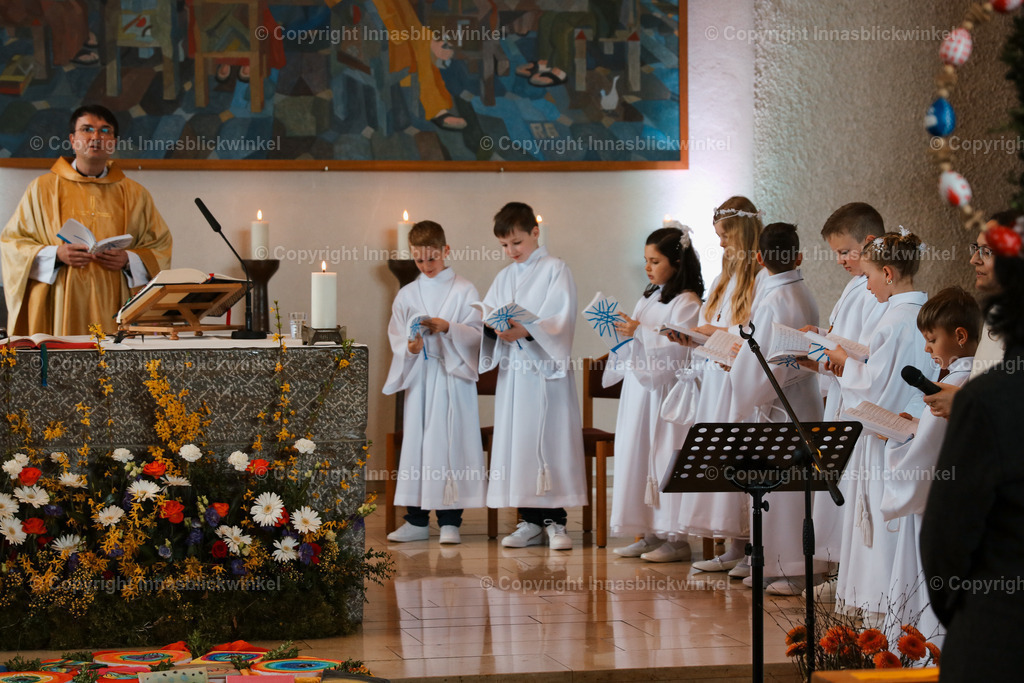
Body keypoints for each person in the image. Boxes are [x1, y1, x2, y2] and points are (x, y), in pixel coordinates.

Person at [921, 223, 1024, 681]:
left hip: (1000, 637)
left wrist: (970, 617)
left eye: (986, 251)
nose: (974, 259)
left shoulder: (989, 401)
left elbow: (947, 538)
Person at [823, 230, 936, 624]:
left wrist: (843, 361)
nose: (866, 285)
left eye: (868, 276)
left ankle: (882, 611)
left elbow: (879, 390)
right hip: (893, 434)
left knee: (879, 525)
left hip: (889, 437)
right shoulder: (909, 313)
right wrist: (856, 357)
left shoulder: (900, 319)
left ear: (888, 273)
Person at [1, 104, 172, 336]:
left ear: (113, 142)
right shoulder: (42, 189)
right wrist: (56, 255)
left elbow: (160, 246)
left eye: (105, 131)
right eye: (87, 129)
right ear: (73, 139)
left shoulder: (135, 194)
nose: (96, 137)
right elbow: (12, 244)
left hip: (116, 299)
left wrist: (128, 259)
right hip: (61, 298)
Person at [480, 202, 587, 550]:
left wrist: (526, 331)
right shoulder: (504, 277)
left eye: (517, 243)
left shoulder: (556, 269)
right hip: (515, 375)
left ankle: (556, 522)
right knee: (520, 442)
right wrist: (495, 328)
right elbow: (490, 314)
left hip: (546, 374)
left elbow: (561, 320)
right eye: (504, 245)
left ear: (535, 233)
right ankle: (528, 521)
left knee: (549, 441)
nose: (511, 251)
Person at [881, 286, 981, 645]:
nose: (926, 348)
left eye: (931, 339)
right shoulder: (976, 380)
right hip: (956, 502)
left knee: (924, 589)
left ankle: (926, 654)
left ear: (959, 336)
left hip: (936, 510)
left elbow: (923, 457)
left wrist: (895, 441)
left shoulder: (955, 384)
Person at [726, 222, 821, 595]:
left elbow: (757, 367)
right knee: (786, 489)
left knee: (786, 488)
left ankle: (793, 568)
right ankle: (777, 564)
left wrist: (735, 369)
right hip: (795, 396)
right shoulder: (798, 290)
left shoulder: (776, 298)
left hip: (782, 403)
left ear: (760, 257)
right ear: (798, 255)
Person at [383, 220, 486, 545]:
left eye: (432, 258)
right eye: (419, 260)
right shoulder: (408, 293)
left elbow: (478, 333)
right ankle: (415, 519)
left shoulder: (464, 289)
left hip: (453, 378)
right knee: (418, 446)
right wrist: (411, 346)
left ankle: (450, 521)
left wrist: (449, 328)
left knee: (450, 444)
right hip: (422, 379)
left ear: (446, 250)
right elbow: (399, 336)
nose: (426, 266)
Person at [604, 224, 703, 562]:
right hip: (639, 389)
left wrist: (639, 332)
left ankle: (675, 539)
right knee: (636, 453)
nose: (648, 268)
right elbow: (638, 338)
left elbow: (679, 347)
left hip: (665, 391)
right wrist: (623, 332)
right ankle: (646, 532)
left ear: (676, 262)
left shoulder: (687, 301)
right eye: (645, 261)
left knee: (662, 457)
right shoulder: (649, 295)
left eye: (655, 261)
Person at [679, 196, 765, 576]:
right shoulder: (720, 280)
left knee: (744, 456)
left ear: (745, 234)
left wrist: (717, 334)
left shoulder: (762, 278)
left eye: (726, 236)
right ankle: (733, 544)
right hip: (716, 378)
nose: (721, 244)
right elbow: (704, 324)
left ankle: (753, 546)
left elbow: (757, 334)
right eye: (717, 236)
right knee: (723, 460)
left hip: (740, 380)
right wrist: (692, 339)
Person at [805, 203, 886, 596]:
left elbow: (869, 350)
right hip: (843, 391)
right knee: (840, 484)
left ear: (869, 242)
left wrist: (833, 353)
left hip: (858, 397)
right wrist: (821, 336)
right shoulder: (858, 283)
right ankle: (842, 573)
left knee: (851, 489)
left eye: (843, 252)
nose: (839, 260)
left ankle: (847, 576)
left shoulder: (875, 287)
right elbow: (846, 336)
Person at [921, 211, 1016, 419]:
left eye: (987, 252)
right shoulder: (996, 311)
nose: (974, 260)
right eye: (976, 249)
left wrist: (961, 403)